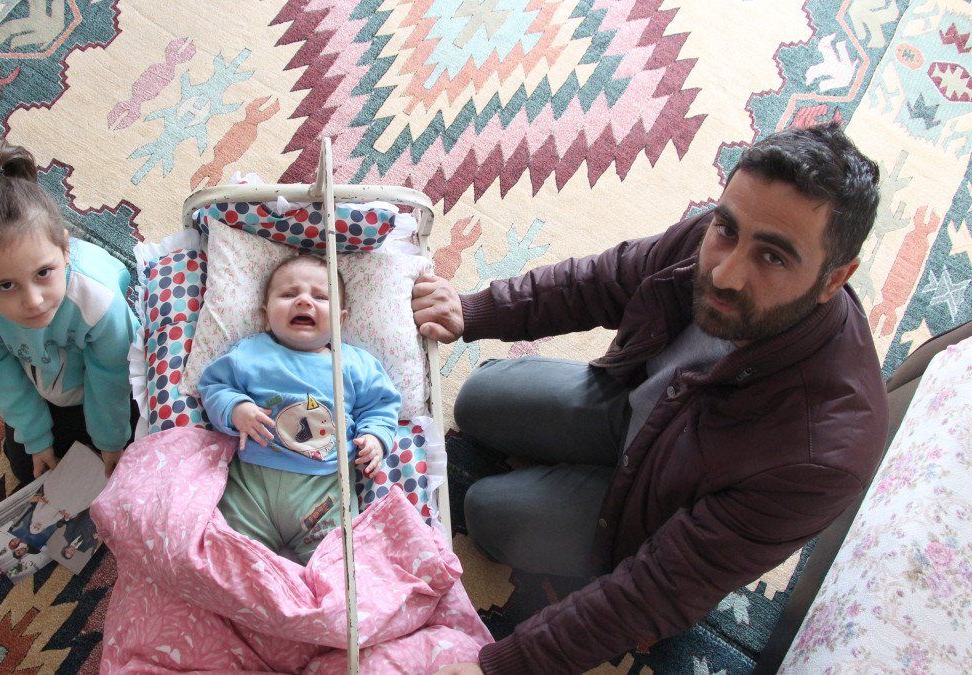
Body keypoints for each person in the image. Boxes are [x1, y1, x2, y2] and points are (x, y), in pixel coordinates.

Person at [415, 122, 889, 673]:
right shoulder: (718, 236)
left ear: (835, 278)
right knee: (478, 397)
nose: (725, 274)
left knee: (488, 513)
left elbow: (660, 588)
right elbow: (603, 280)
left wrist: (501, 665)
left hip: (655, 511)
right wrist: (476, 310)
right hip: (637, 409)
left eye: (774, 258)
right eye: (727, 230)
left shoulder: (822, 455)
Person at [0, 136, 139, 484]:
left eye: (43, 273)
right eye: (6, 285)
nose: (34, 301)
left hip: (107, 380)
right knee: (28, 469)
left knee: (137, 448)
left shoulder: (97, 301)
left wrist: (111, 441)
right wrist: (36, 437)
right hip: (44, 387)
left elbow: (111, 373)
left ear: (65, 250)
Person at [198, 255, 401, 564]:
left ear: (341, 320)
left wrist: (375, 437)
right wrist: (236, 408)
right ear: (266, 315)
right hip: (253, 484)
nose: (304, 301)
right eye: (289, 294)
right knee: (229, 559)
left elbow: (381, 405)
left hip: (324, 491)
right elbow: (213, 386)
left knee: (341, 566)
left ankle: (323, 591)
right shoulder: (250, 352)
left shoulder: (355, 364)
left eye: (321, 296)